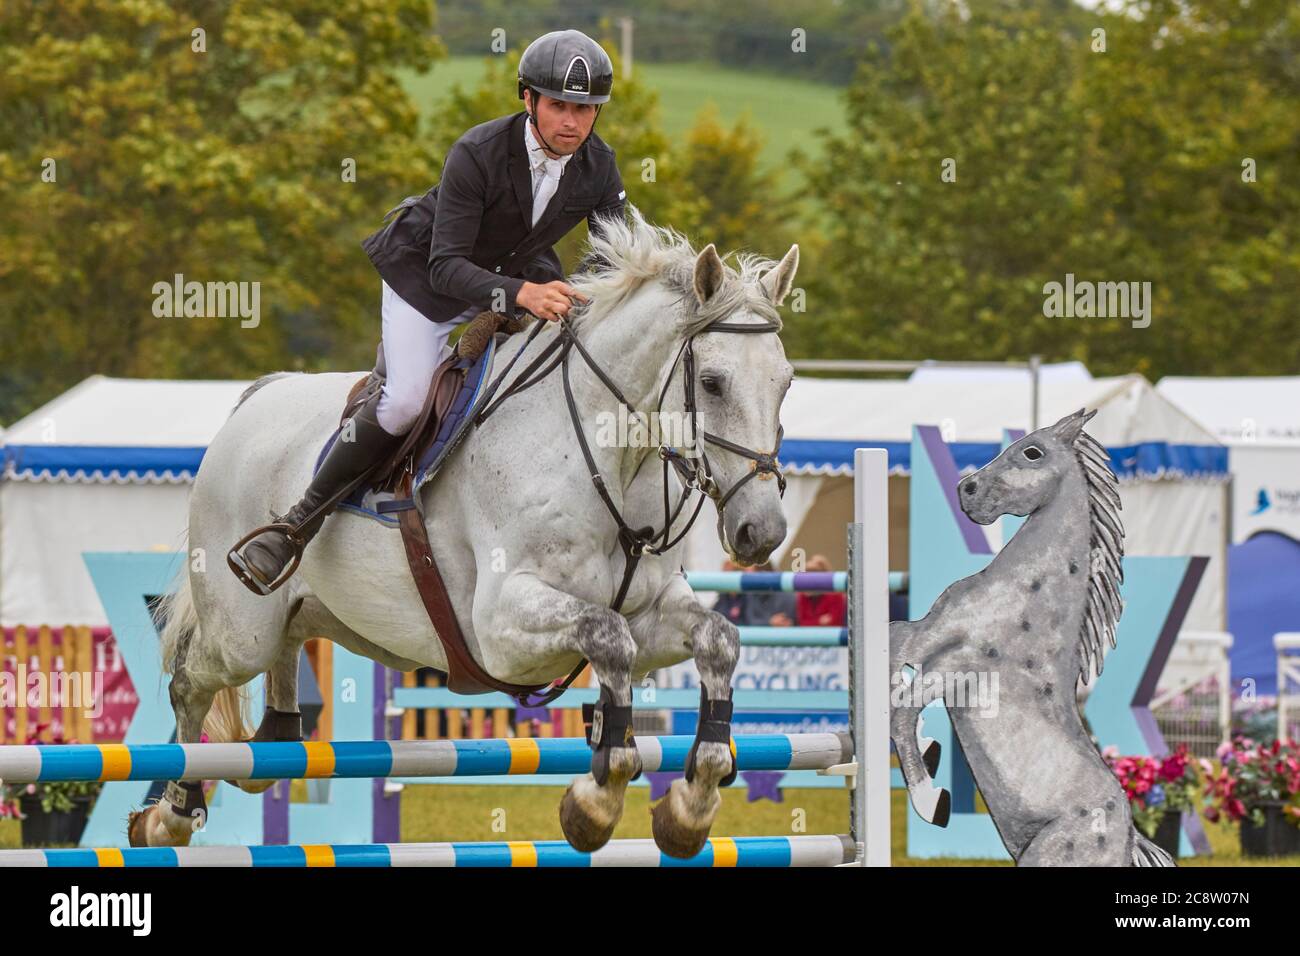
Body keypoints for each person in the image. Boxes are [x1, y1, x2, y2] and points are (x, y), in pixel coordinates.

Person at [230, 30, 627, 594]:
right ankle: (296, 525)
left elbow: (620, 252)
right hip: (426, 279)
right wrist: (521, 295)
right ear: (528, 99)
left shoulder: (599, 165)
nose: (572, 122)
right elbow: (446, 268)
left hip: (516, 271)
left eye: (585, 110)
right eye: (559, 105)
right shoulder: (478, 152)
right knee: (405, 401)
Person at [796, 554, 846, 626]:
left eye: (813, 573)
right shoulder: (802, 596)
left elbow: (834, 622)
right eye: (806, 573)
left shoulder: (836, 595)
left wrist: (812, 622)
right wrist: (819, 621)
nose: (809, 578)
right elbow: (802, 623)